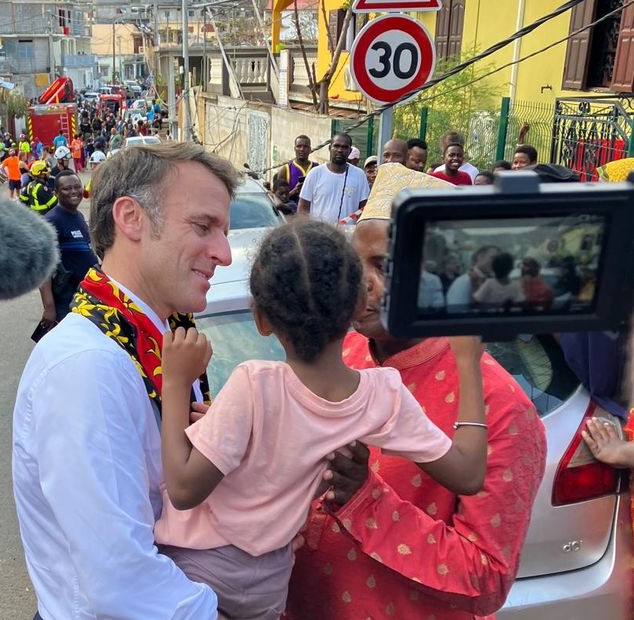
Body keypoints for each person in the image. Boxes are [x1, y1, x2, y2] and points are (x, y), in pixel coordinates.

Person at [156, 219, 488, 619]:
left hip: (203, 568)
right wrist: (468, 362)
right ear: (354, 307)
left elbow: (184, 489)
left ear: (262, 320)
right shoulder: (382, 395)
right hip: (269, 582)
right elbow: (469, 474)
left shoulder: (254, 383)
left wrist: (175, 383)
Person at [286, 166, 547, 619]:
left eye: (383, 267)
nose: (359, 284)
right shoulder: (339, 351)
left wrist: (365, 498)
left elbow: (486, 578)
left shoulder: (498, 406)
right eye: (354, 264)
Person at [12, 143, 240, 619]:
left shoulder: (160, 338)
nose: (224, 254)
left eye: (224, 232)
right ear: (131, 218)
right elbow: (120, 581)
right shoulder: (88, 366)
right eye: (203, 227)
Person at [38, 171, 100, 325]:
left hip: (84, 298)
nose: (73, 191)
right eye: (67, 189)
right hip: (66, 303)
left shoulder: (78, 216)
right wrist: (49, 307)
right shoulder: (52, 221)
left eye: (77, 187)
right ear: (56, 193)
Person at [297, 133, 369, 223]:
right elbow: (303, 209)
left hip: (348, 234)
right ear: (329, 148)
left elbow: (364, 210)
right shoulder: (315, 173)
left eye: (344, 147)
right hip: (319, 233)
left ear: (350, 151)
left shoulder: (359, 175)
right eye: (336, 146)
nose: (340, 150)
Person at [446, 245, 500, 309]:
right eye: (492, 258)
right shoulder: (464, 281)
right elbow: (456, 310)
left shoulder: (490, 281)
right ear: (480, 257)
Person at [274, 135, 319, 200]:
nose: (302, 149)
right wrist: (294, 191)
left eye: (305, 147)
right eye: (299, 146)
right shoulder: (285, 170)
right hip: (292, 209)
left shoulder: (316, 168)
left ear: (310, 149)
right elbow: (277, 198)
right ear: (294, 148)